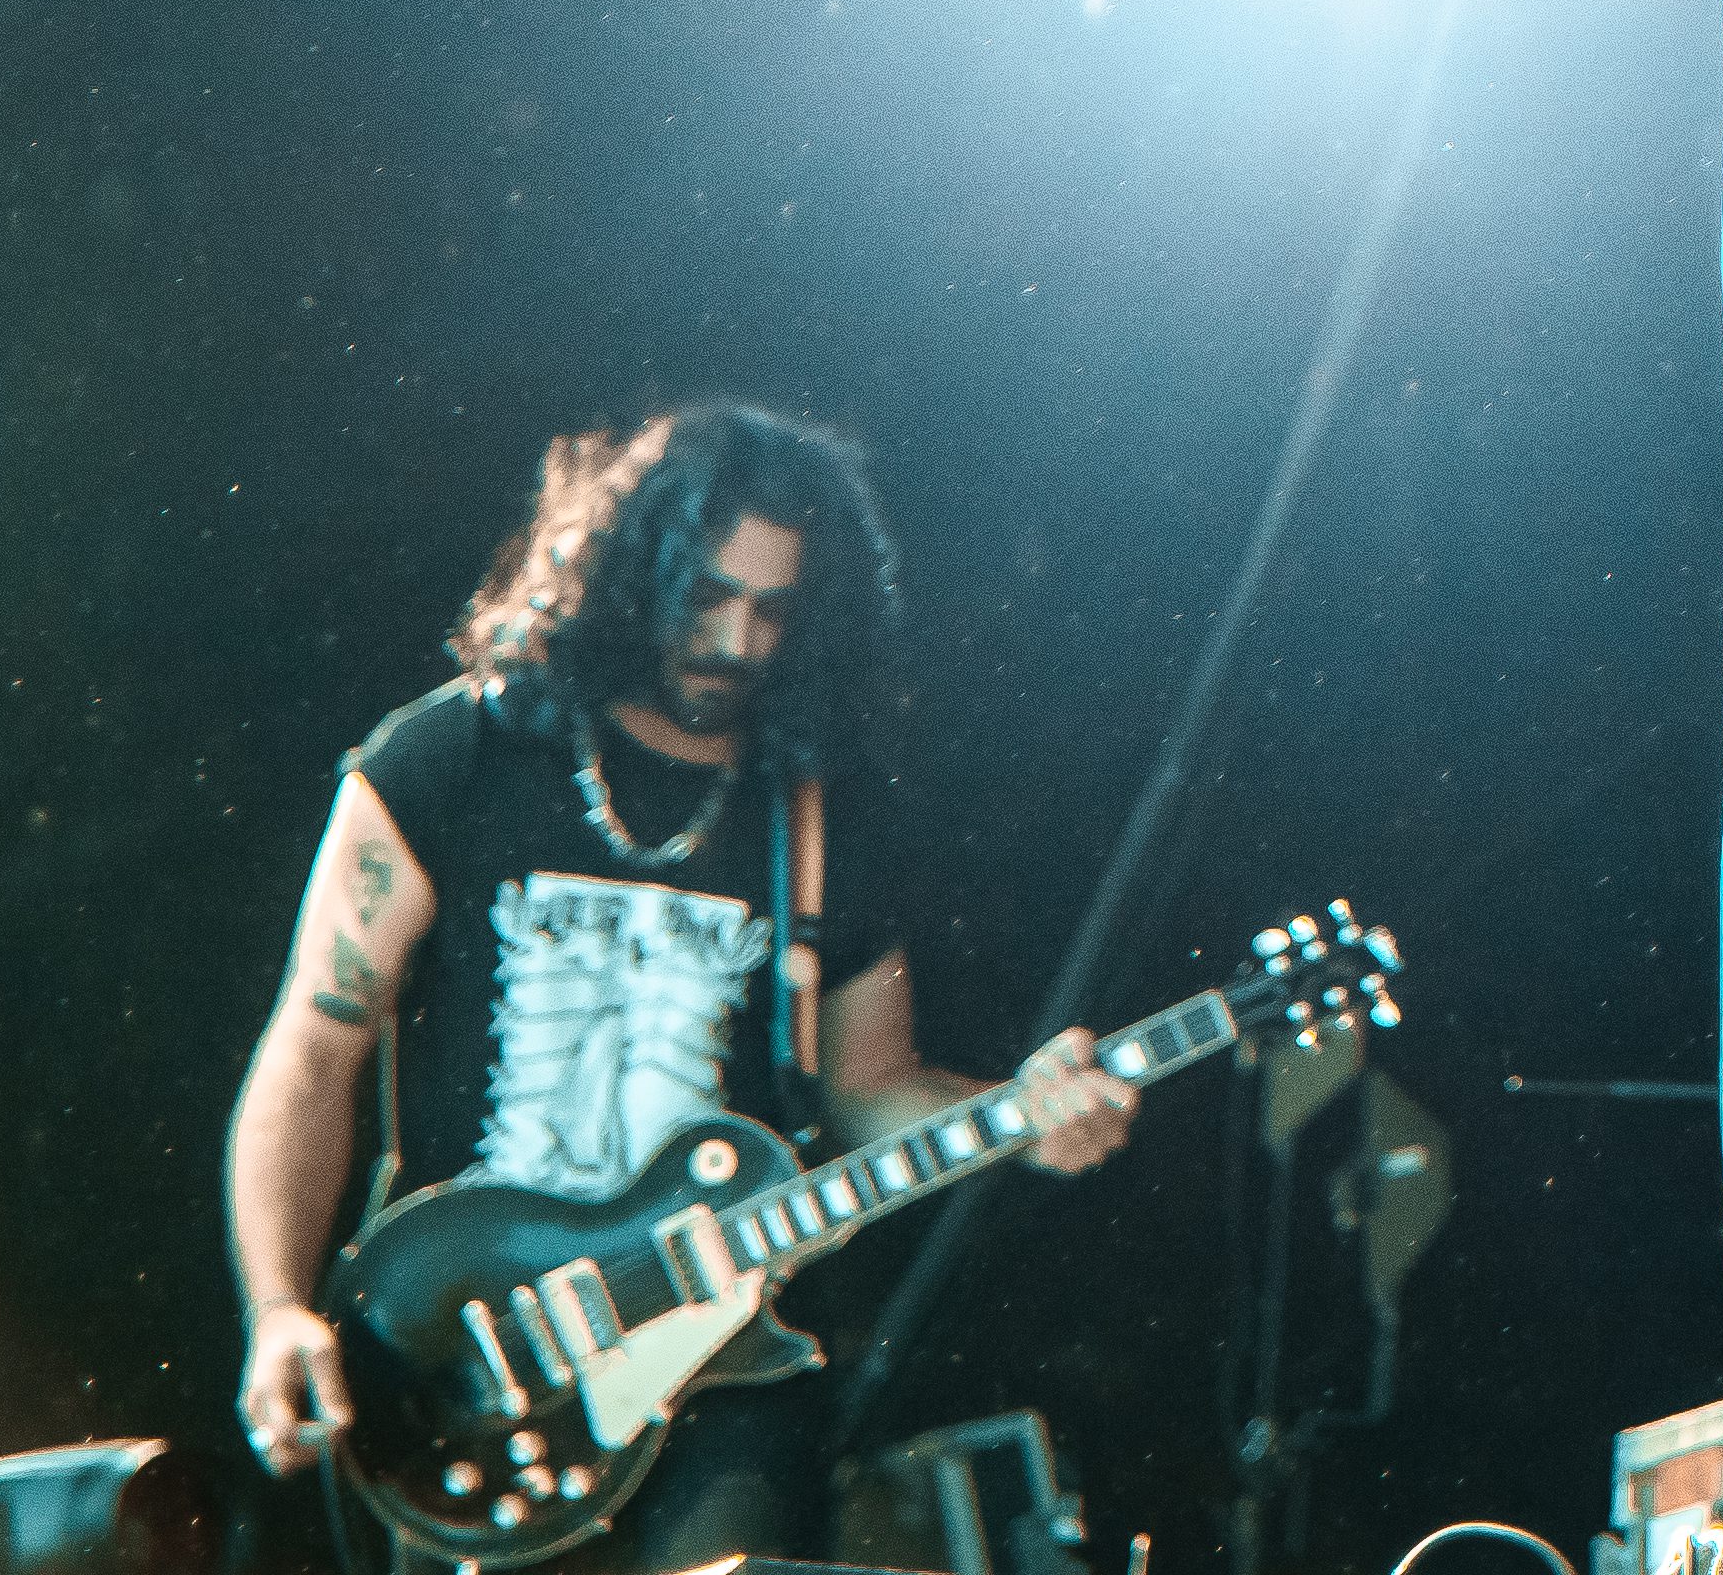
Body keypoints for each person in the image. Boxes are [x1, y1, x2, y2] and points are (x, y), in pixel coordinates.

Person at [227, 402, 1140, 1549]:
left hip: (722, 1370)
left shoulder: (816, 821)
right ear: (629, 570)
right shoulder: (451, 760)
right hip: (463, 1356)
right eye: (707, 595)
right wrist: (276, 1308)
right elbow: (313, 1052)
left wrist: (1021, 1115)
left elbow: (869, 1085)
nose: (739, 641)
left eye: (775, 609)